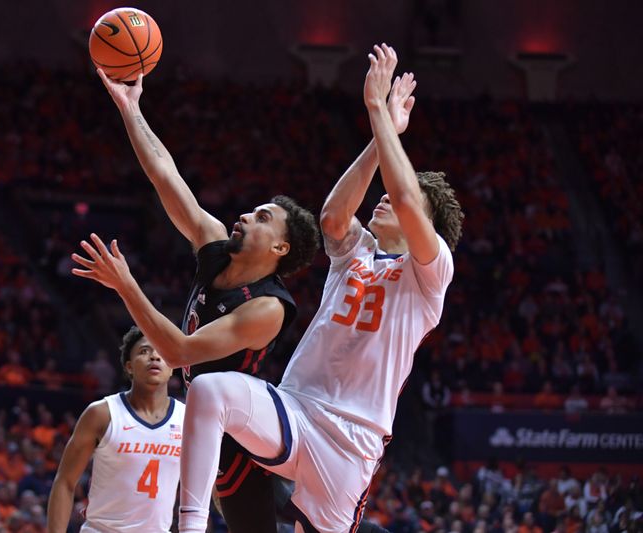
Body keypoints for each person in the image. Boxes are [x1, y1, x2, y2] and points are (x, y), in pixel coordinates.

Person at [173, 43, 464, 533]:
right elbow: (332, 218)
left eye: (393, 197)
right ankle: (190, 526)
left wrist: (377, 112)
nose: (385, 199)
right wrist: (380, 135)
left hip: (351, 442)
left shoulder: (432, 271)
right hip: (296, 409)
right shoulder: (359, 251)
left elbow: (412, 203)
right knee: (209, 389)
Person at [71, 68, 320, 531]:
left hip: (245, 441)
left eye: (262, 216)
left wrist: (126, 284)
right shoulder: (215, 245)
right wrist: (131, 108)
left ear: (279, 248)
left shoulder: (267, 307)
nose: (246, 214)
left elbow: (180, 352)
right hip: (209, 425)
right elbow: (165, 173)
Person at [47, 326, 184, 532]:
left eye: (161, 352)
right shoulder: (101, 413)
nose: (154, 357)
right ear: (129, 367)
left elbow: (212, 484)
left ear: (172, 366)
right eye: (144, 351)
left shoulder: (188, 419)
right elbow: (65, 481)